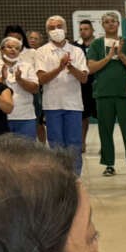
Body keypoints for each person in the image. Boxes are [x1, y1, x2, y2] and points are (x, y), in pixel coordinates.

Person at [86, 10, 126, 176]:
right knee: (105, 129)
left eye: (113, 21)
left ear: (118, 24)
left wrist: (121, 55)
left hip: (123, 92)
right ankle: (108, 164)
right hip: (103, 92)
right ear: (102, 25)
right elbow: (91, 68)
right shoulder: (96, 44)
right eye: (107, 22)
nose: (110, 24)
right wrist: (109, 56)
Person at [35, 16, 90, 173]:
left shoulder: (77, 51)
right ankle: (59, 177)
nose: (56, 30)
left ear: (66, 29)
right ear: (47, 32)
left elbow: (84, 78)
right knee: (56, 144)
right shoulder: (41, 52)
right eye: (52, 28)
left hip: (73, 104)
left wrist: (70, 66)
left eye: (59, 26)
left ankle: (75, 178)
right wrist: (59, 68)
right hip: (52, 105)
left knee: (74, 143)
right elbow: (41, 79)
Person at [0, 33, 40, 139]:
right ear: (2, 50)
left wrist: (20, 80)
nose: (13, 50)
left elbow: (35, 89)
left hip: (25, 116)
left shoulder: (27, 66)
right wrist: (2, 78)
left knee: (27, 152)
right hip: (1, 117)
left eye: (17, 48)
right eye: (9, 47)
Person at [75, 20, 98, 154]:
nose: (83, 31)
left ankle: (105, 145)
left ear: (92, 30)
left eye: (86, 29)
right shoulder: (76, 47)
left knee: (102, 116)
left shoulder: (98, 45)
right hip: (82, 86)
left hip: (98, 84)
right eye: (81, 29)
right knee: (83, 117)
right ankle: (82, 142)